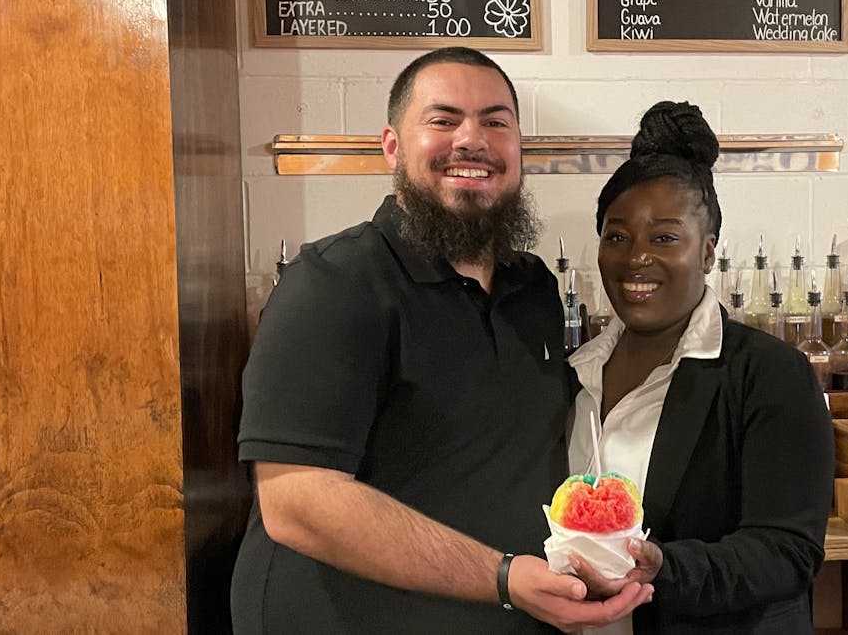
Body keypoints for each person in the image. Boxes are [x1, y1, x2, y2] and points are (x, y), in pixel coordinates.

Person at [231, 47, 651, 634]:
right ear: (392, 146)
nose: (472, 139)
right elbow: (297, 501)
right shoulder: (333, 283)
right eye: (443, 120)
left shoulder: (531, 287)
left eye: (496, 122)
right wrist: (503, 577)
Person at [565, 101, 835, 633]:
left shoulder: (769, 375)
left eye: (665, 237)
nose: (636, 257)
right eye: (616, 236)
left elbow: (788, 551)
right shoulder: (571, 374)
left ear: (708, 252)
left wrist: (664, 568)